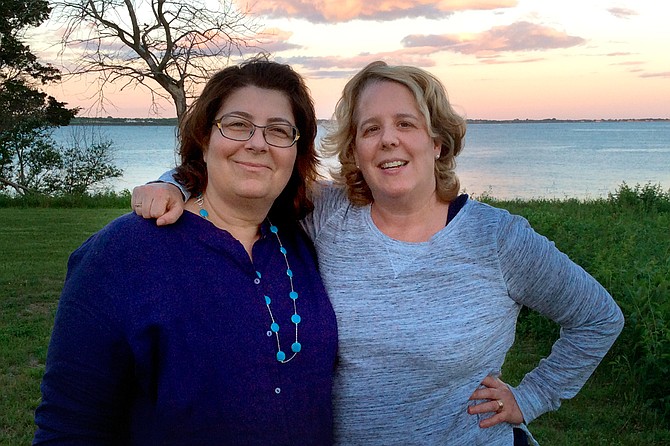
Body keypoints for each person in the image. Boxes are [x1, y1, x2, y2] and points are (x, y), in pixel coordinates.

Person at [131, 61, 624, 445]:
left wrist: (532, 396)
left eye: (406, 123)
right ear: (356, 151)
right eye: (370, 129)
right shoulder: (328, 213)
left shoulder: (499, 239)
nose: (388, 138)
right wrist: (169, 183)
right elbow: (246, 170)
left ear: (436, 141)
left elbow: (598, 317)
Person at [33, 58, 338, 445]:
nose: (257, 143)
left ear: (298, 151)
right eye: (237, 124)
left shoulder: (302, 242)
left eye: (279, 130)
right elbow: (69, 427)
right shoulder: (121, 254)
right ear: (205, 138)